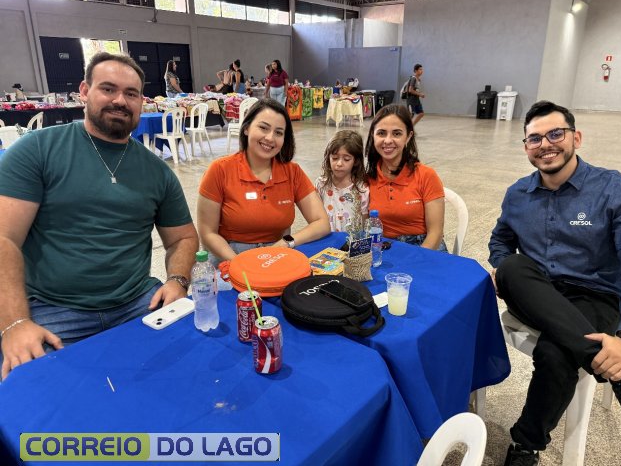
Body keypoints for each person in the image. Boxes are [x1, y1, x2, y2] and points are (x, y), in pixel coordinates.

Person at [0, 52, 199, 380]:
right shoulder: (37, 150)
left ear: (141, 102)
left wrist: (178, 281)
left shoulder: (156, 171)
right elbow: (5, 238)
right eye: (108, 89)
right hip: (53, 308)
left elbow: (184, 237)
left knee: (193, 364)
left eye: (131, 93)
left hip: (138, 300)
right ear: (84, 91)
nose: (120, 100)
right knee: (31, 388)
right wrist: (15, 323)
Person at [489, 101, 621, 465]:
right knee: (512, 266)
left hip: (595, 296)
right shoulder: (518, 194)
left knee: (555, 354)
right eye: (534, 139)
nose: (545, 144)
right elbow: (500, 241)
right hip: (535, 291)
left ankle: (525, 445)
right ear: (526, 147)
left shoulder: (617, 191)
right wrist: (500, 266)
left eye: (555, 134)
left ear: (576, 138)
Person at [197, 97, 330, 262]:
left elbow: (322, 223)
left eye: (279, 132)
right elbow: (207, 233)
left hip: (276, 256)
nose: (270, 138)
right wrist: (239, 264)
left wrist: (286, 242)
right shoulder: (219, 170)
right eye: (263, 128)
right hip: (228, 256)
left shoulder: (292, 172)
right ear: (246, 128)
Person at [364, 104, 445, 250]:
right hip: (383, 249)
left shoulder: (426, 175)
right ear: (372, 135)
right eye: (381, 133)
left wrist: (415, 259)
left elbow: (436, 233)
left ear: (408, 136)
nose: (388, 140)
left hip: (424, 248)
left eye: (397, 134)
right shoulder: (367, 179)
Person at [315, 130, 369, 233]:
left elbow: (365, 222)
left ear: (356, 161)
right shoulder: (321, 184)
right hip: (327, 238)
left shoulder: (362, 188)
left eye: (346, 159)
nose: (339, 163)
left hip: (352, 240)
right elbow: (315, 217)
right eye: (335, 158)